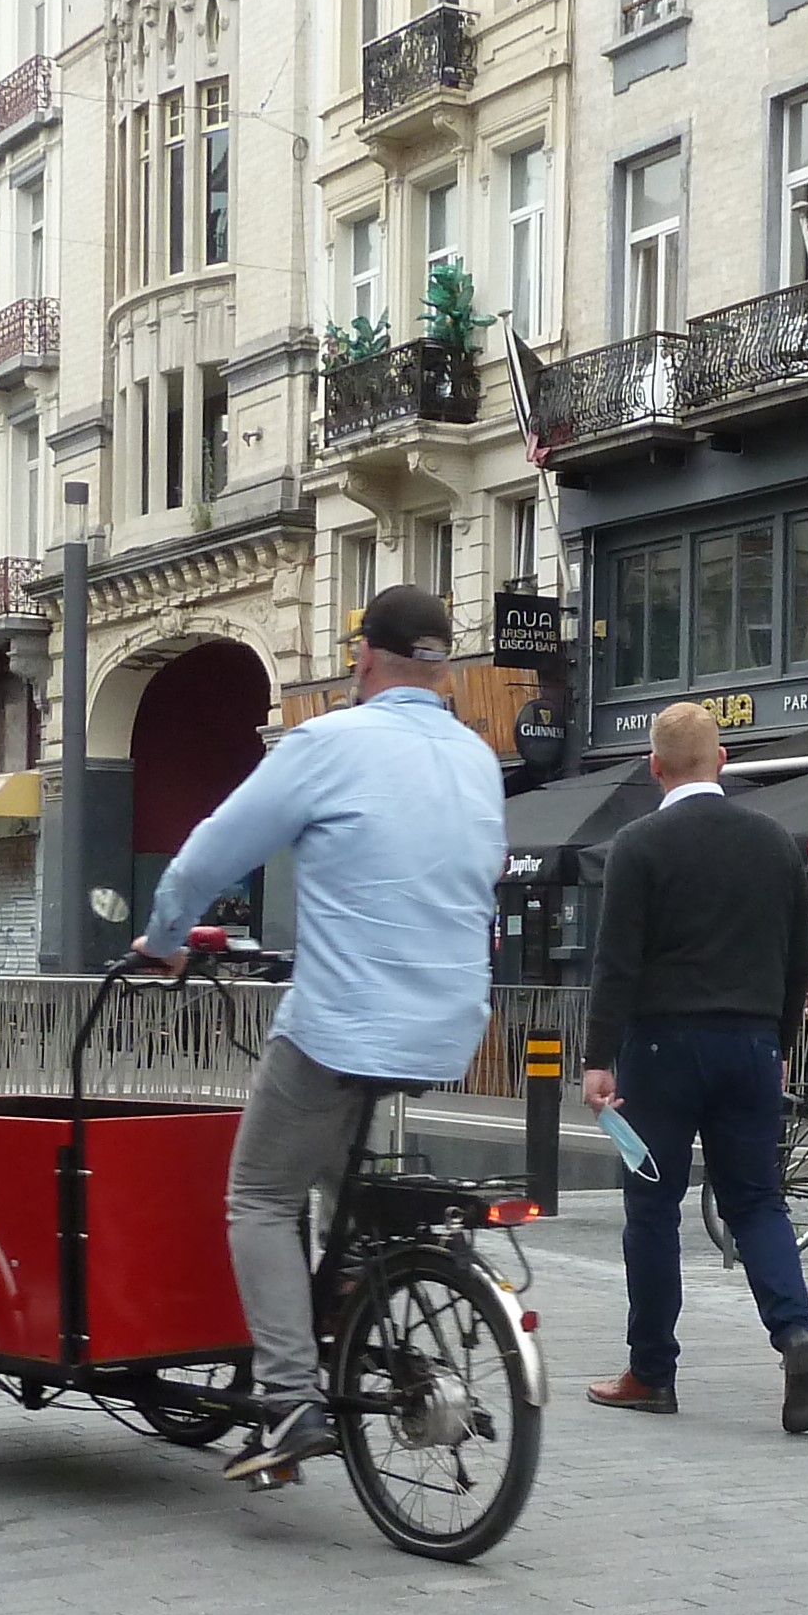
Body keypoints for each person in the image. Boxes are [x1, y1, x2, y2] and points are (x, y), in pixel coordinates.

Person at [132, 586, 502, 1484]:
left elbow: (213, 850)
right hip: (449, 1020)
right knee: (343, 1181)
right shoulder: (475, 754)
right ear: (440, 665)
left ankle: (293, 1399)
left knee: (258, 1195)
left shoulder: (330, 742)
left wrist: (167, 939)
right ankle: (349, 1297)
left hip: (344, 1020)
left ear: (363, 659)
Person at [580, 700, 808, 1434]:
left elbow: (615, 962)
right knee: (755, 1202)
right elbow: (797, 961)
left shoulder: (637, 843)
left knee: (651, 1208)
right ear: (721, 760)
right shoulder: (776, 842)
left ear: (654, 768)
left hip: (660, 1047)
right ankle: (795, 1332)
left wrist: (598, 1058)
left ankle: (651, 1372)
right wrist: (780, 1044)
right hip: (751, 1044)